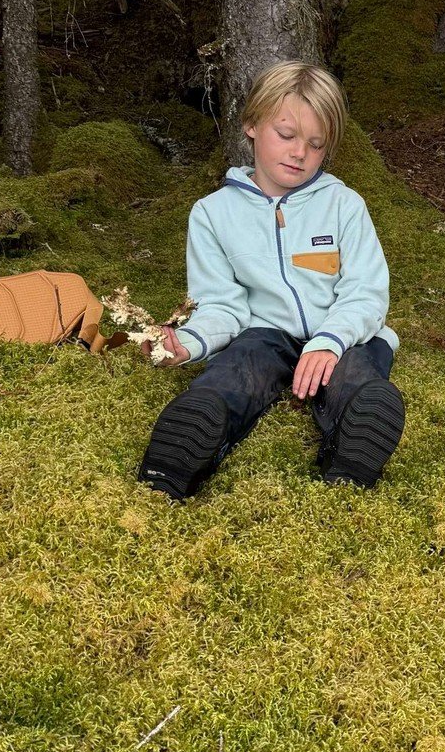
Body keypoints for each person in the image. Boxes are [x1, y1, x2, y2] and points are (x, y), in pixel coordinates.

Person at [137, 61, 405, 500]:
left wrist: (330, 340)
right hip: (263, 334)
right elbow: (220, 305)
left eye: (316, 144)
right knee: (235, 372)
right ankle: (181, 455)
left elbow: (366, 292)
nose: (300, 153)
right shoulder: (211, 214)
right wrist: (191, 342)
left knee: (358, 378)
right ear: (250, 125)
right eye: (286, 135)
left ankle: (350, 459)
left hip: (346, 336)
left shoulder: (345, 205)